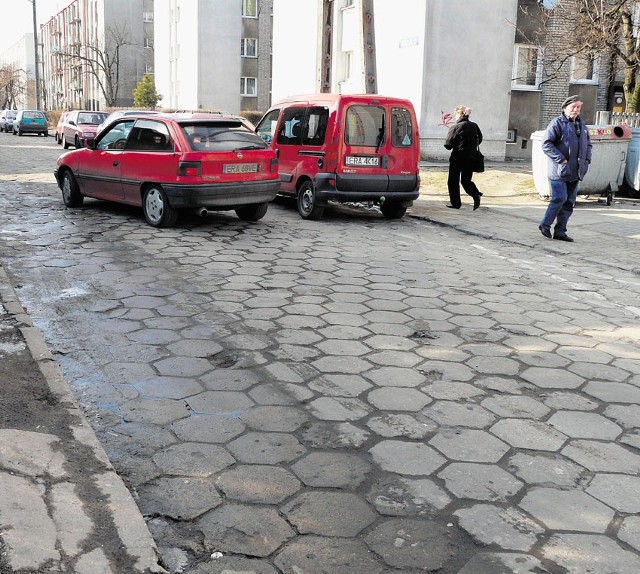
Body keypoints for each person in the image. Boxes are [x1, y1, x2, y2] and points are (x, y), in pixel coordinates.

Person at [538, 95, 592, 242]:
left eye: (578, 107)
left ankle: (560, 232)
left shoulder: (582, 125)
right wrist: (561, 159)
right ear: (565, 108)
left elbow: (588, 145)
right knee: (559, 198)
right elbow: (546, 144)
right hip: (559, 171)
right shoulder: (557, 123)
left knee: (569, 203)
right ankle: (545, 224)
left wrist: (587, 160)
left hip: (576, 171)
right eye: (573, 107)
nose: (576, 110)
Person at [444, 105, 483, 210]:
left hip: (457, 158)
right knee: (466, 180)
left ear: (459, 114)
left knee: (453, 181)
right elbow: (480, 139)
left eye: (455, 114)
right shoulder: (474, 126)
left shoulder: (455, 127)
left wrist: (457, 144)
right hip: (471, 158)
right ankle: (475, 194)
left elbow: (448, 145)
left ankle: (456, 204)